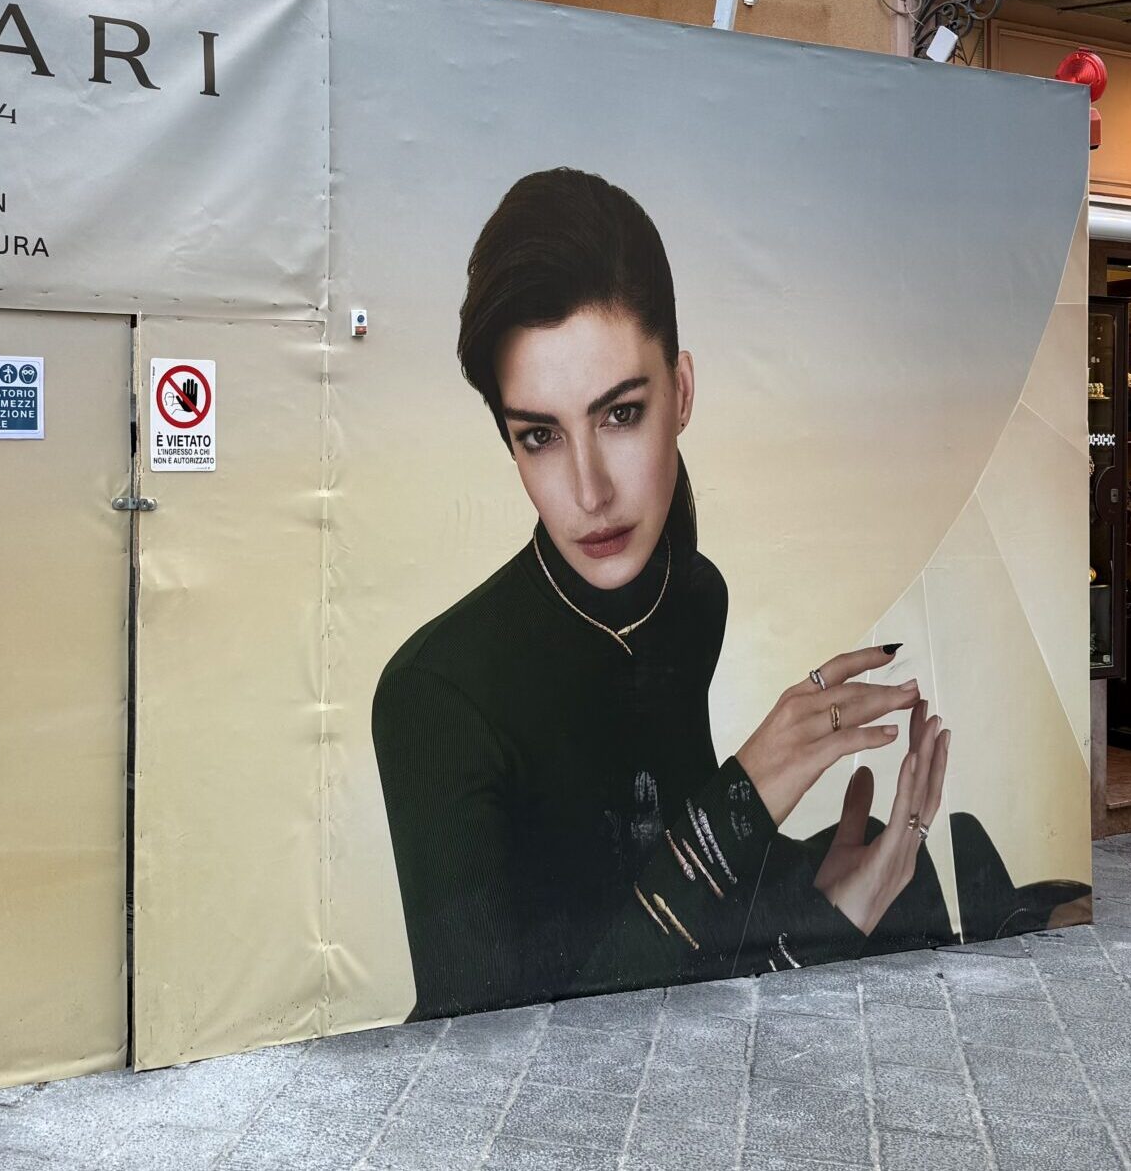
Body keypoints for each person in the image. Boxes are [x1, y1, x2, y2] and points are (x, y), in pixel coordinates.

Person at [371, 168, 1088, 1022]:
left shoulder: (688, 597)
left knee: (895, 873)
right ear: (508, 441)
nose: (590, 491)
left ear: (680, 392)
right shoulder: (434, 698)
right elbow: (500, 1041)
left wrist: (822, 888)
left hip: (682, 1005)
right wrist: (748, 797)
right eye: (539, 436)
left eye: (620, 414)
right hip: (570, 1080)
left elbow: (662, 869)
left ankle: (1010, 918)